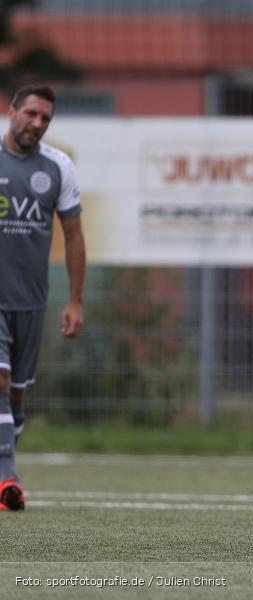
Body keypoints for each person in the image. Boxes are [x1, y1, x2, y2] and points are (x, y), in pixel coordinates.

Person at [0, 84, 85, 511]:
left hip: (30, 300)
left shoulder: (58, 167)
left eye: (45, 119)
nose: (37, 124)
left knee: (16, 393)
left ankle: (3, 468)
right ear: (11, 110)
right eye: (30, 113)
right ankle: (6, 476)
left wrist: (74, 301)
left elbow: (73, 235)